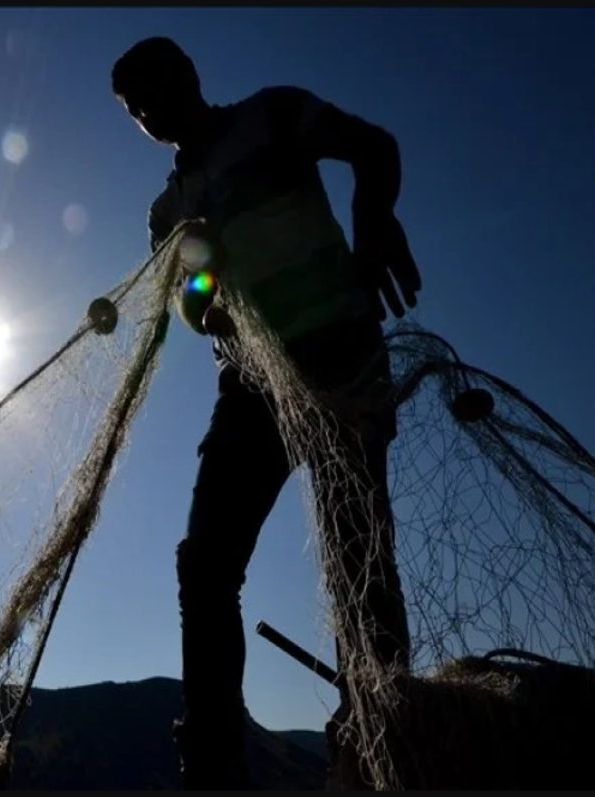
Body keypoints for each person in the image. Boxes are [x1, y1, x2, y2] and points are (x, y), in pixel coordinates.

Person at [111, 36, 420, 789]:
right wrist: (204, 283)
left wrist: (375, 220)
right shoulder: (167, 211)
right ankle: (213, 765)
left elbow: (372, 146)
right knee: (206, 564)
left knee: (359, 556)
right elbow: (197, 310)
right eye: (134, 110)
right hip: (252, 386)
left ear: (189, 75)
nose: (150, 113)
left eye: (155, 91)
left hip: (341, 356)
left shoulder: (275, 115)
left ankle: (386, 740)